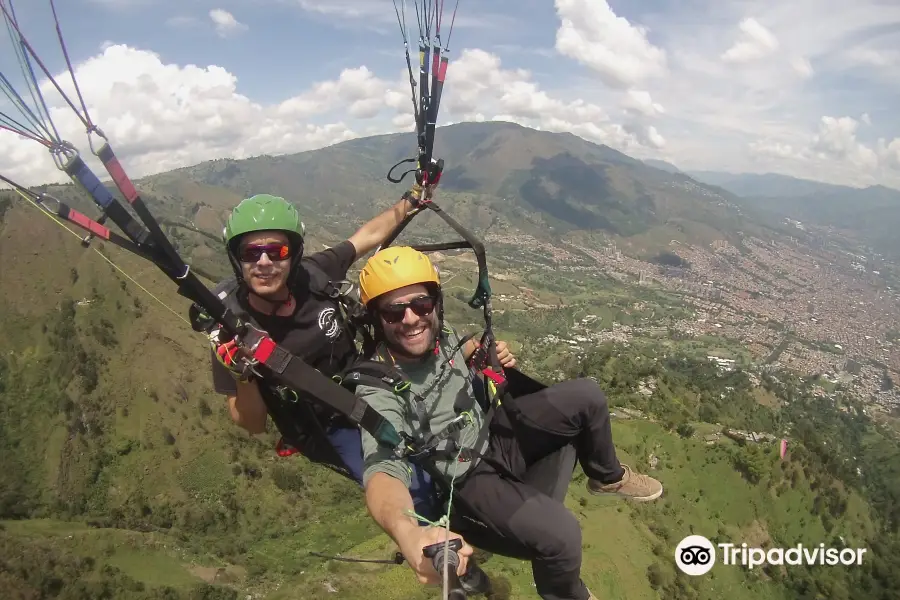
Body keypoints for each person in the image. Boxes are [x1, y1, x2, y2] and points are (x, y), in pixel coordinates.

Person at [354, 246, 664, 600]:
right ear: (375, 319)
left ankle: (608, 478)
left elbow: (459, 348)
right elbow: (382, 470)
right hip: (468, 479)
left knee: (587, 396)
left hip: (494, 432)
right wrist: (406, 531)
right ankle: (565, 595)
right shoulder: (377, 386)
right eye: (393, 311)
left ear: (435, 304)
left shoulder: (438, 335)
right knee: (562, 535)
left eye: (421, 304)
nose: (410, 319)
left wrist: (486, 350)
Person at [206, 186, 437, 517]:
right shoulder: (233, 327)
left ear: (295, 252)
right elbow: (252, 423)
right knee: (415, 492)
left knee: (442, 440)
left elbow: (367, 236)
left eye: (277, 250)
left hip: (368, 384)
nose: (264, 262)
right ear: (236, 258)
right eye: (250, 252)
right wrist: (242, 373)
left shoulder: (313, 275)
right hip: (327, 425)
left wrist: (413, 200)